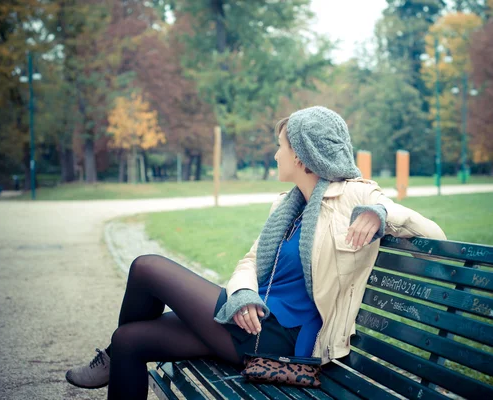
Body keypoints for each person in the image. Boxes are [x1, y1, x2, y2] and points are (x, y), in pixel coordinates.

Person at [65, 106, 446, 399]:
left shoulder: (355, 194)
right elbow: (249, 262)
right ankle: (117, 355)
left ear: (301, 154)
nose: (275, 154)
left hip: (281, 337)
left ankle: (110, 359)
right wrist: (243, 295)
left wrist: (379, 214)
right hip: (252, 319)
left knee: (146, 266)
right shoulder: (288, 205)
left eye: (280, 146)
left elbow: (434, 235)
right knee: (132, 340)